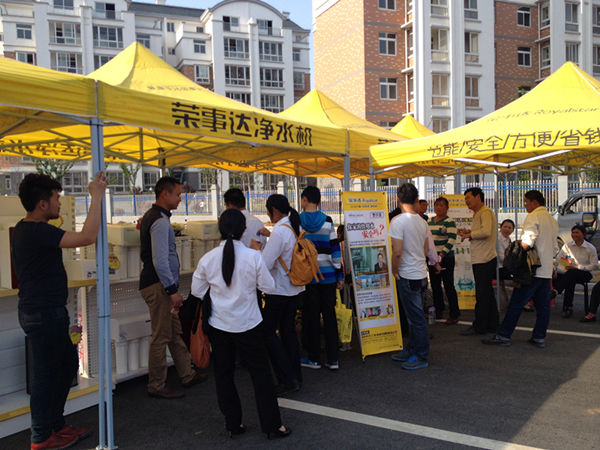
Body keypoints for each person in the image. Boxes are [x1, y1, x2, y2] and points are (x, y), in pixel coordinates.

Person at [12, 172, 107, 450]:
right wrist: (96, 196)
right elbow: (88, 236)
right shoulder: (36, 230)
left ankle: (55, 423)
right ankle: (41, 436)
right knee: (46, 375)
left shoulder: (27, 229)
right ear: (42, 204)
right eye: (56, 198)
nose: (59, 203)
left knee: (66, 366)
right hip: (42, 313)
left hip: (45, 311)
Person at [191, 209, 291, 439]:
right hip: (248, 323)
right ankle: (273, 426)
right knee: (261, 375)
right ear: (243, 231)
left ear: (219, 228)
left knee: (224, 374)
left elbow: (197, 290)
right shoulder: (252, 256)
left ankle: (233, 424)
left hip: (219, 324)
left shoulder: (208, 258)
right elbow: (268, 287)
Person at [139, 176, 207, 399]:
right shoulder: (159, 221)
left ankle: (187, 374)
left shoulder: (155, 217)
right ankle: (157, 384)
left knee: (174, 333)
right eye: (177, 194)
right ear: (164, 194)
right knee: (161, 336)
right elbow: (160, 260)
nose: (180, 199)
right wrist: (171, 290)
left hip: (160, 285)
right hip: (158, 286)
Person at [482, 190, 559, 348]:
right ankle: (539, 337)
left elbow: (527, 243)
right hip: (546, 270)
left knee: (516, 303)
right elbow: (555, 248)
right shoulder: (552, 220)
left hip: (531, 270)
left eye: (526, 202)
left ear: (535, 202)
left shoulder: (534, 216)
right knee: (543, 307)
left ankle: (504, 335)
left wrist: (514, 251)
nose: (525, 205)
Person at [250, 194, 304, 396]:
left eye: (267, 211)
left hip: (279, 289)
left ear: (273, 210)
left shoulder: (280, 232)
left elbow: (266, 263)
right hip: (293, 288)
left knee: (267, 332)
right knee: (288, 332)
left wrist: (257, 250)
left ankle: (286, 377)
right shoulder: (292, 226)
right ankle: (295, 376)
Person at [298, 186, 343, 370]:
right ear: (319, 202)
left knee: (312, 317)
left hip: (309, 277)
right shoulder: (327, 221)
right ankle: (333, 359)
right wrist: (339, 274)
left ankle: (314, 358)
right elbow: (335, 250)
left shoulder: (298, 222)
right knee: (330, 315)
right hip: (328, 276)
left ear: (305, 199)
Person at [389, 183, 430, 370]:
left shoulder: (397, 221)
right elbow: (426, 248)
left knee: (416, 319)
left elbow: (397, 252)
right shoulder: (422, 221)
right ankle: (412, 349)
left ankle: (421, 355)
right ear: (416, 200)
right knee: (415, 316)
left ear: (398, 200)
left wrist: (394, 270)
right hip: (420, 274)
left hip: (407, 275)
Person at [458, 187, 499, 336]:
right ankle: (492, 324)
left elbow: (486, 231)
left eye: (468, 198)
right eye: (465, 199)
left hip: (484, 259)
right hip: (482, 258)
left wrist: (470, 234)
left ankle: (480, 326)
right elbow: (481, 232)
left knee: (482, 294)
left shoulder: (485, 212)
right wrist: (469, 233)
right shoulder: (478, 213)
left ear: (478, 197)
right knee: (487, 294)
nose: (466, 201)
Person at [553, 224, 599, 318]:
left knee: (572, 273)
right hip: (569, 273)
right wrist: (555, 270)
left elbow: (594, 265)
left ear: (584, 234)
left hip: (585, 273)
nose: (574, 234)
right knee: (570, 278)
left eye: (577, 232)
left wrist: (578, 267)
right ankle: (568, 307)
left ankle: (556, 291)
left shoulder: (590, 248)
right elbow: (558, 259)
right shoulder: (568, 245)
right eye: (573, 232)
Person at [428, 197, 461, 324]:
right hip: (432, 259)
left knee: (448, 286)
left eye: (441, 205)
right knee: (435, 286)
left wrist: (441, 255)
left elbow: (451, 240)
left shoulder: (449, 221)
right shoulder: (429, 221)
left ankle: (454, 314)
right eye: (436, 205)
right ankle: (438, 310)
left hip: (446, 258)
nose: (438, 207)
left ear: (447, 208)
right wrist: (433, 257)